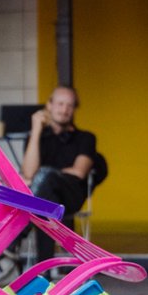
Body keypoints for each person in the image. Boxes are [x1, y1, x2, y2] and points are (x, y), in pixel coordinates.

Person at [21, 85, 97, 230]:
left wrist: (40, 176)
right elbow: (29, 172)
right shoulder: (36, 138)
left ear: (74, 109)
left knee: (43, 179)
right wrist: (36, 131)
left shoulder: (86, 138)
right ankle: (42, 252)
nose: (64, 110)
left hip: (69, 198)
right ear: (49, 105)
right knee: (44, 195)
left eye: (70, 105)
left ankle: (15, 238)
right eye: (60, 104)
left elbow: (79, 171)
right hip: (44, 199)